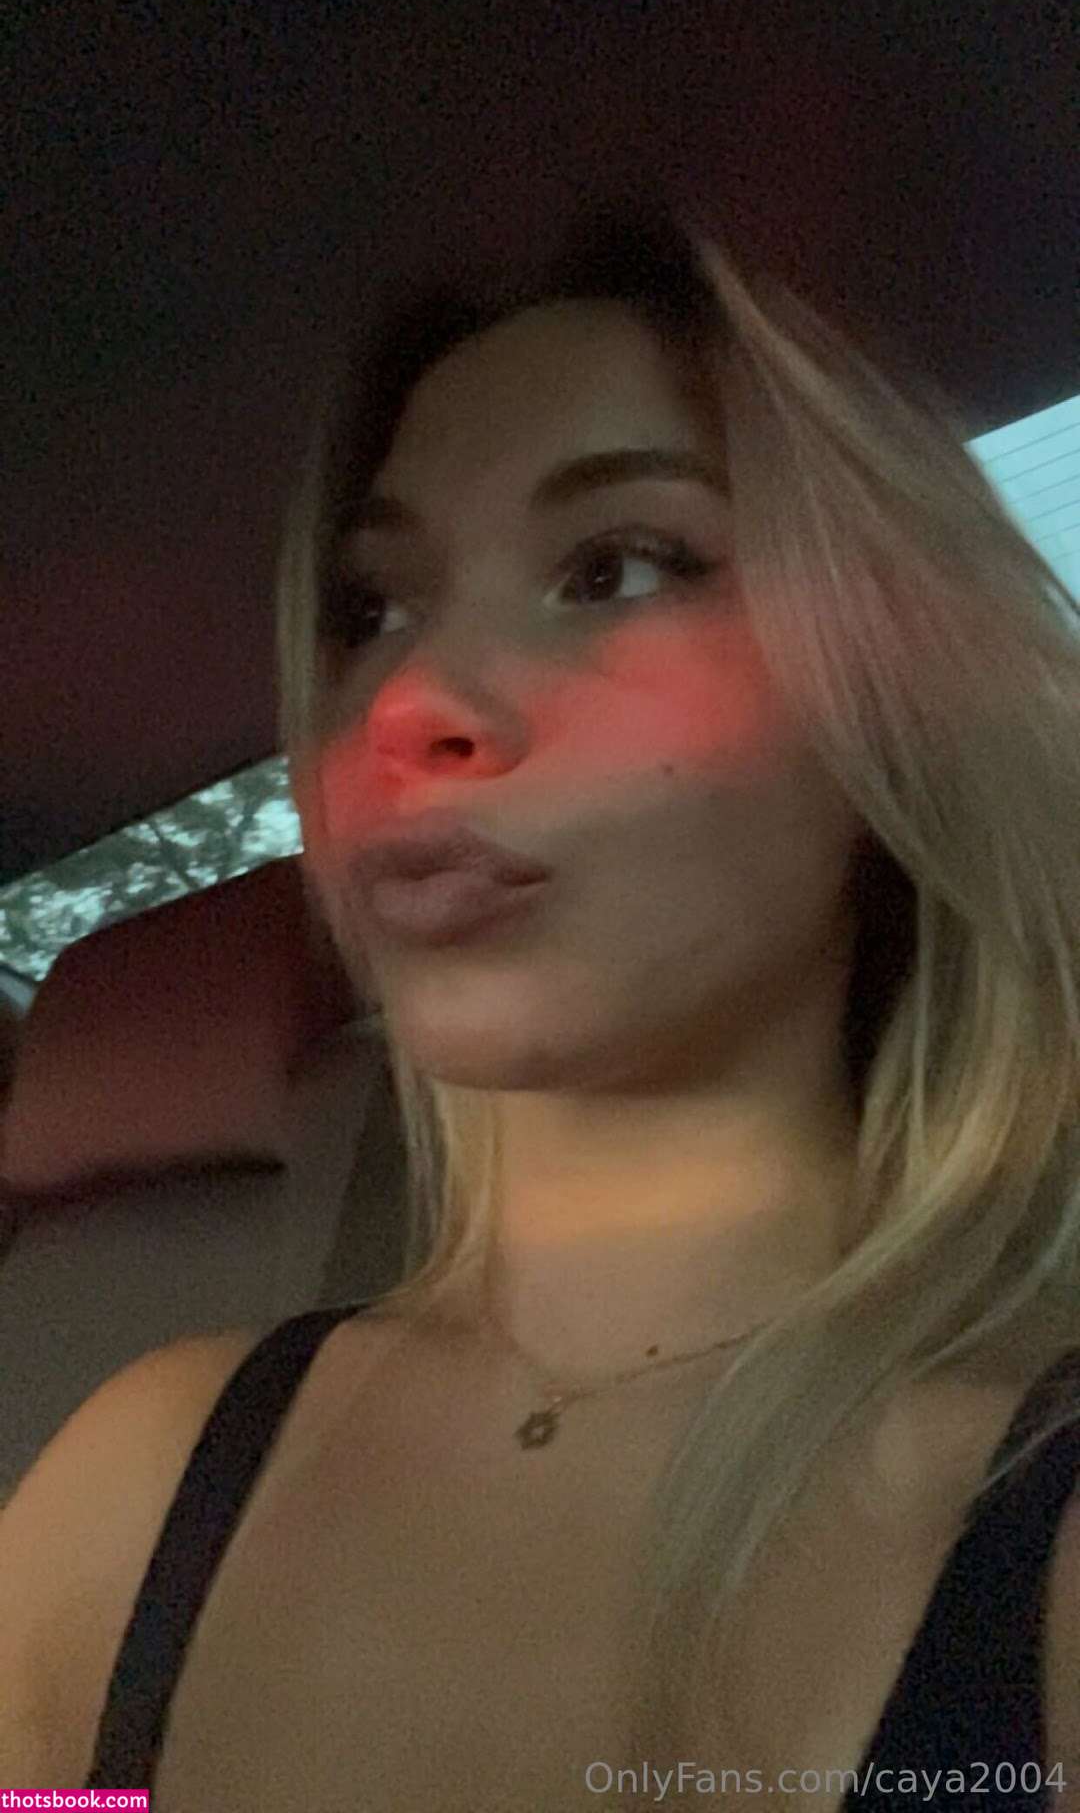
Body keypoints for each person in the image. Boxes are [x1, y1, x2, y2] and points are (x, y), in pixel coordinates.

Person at [3, 193, 1079, 1810]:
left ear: (887, 704)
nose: (413, 701)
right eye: (374, 610)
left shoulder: (1045, 1562)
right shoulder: (138, 1484)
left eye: (615, 568)